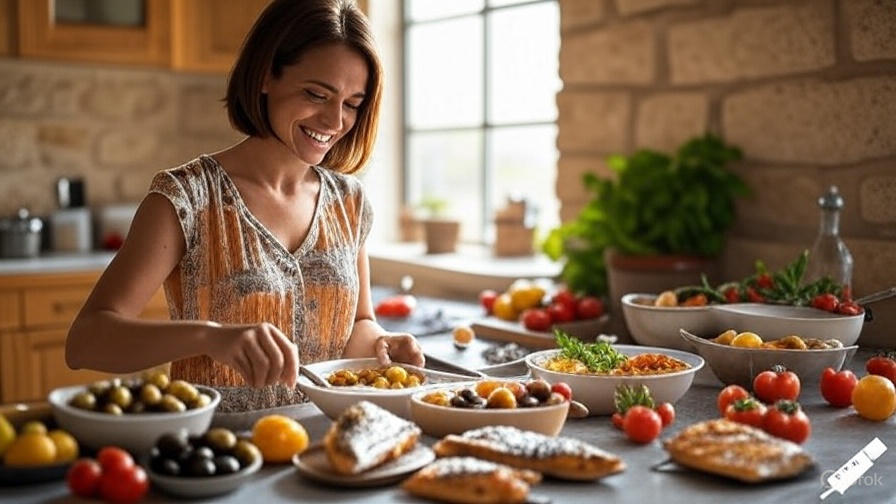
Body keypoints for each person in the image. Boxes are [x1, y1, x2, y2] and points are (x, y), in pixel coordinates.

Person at [65, 0, 424, 416]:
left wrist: (380, 342)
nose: (334, 121)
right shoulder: (187, 197)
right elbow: (86, 341)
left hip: (327, 438)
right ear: (266, 75)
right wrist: (209, 337)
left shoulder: (350, 202)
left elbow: (357, 323)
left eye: (351, 104)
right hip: (222, 445)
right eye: (316, 94)